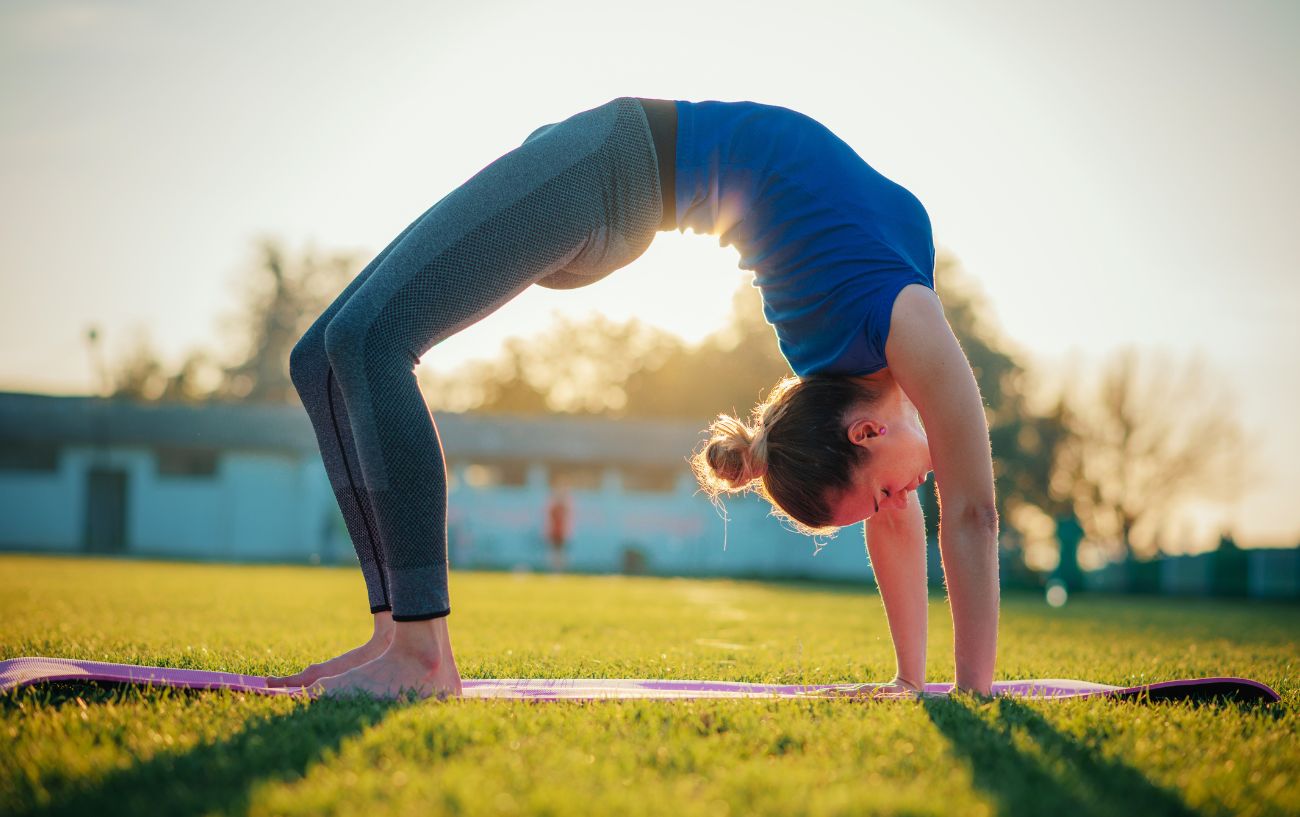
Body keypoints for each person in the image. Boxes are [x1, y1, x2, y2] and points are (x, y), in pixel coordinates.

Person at [266, 96, 999, 700]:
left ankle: (412, 646)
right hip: (612, 165)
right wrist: (973, 692)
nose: (906, 498)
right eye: (885, 496)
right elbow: (973, 511)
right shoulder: (904, 320)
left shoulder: (857, 375)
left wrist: (909, 678)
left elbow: (899, 513)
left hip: (612, 183)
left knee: (362, 344)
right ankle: (406, 643)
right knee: (327, 357)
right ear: (866, 435)